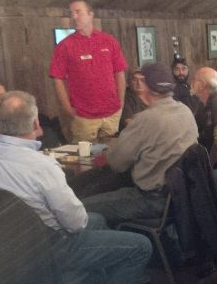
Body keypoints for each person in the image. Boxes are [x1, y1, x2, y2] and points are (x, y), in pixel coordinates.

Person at [0, 90, 151, 284]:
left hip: (3, 251)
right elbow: (75, 223)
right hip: (47, 251)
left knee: (97, 219)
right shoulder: (41, 166)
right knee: (140, 246)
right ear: (36, 124)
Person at [82, 63, 199, 226]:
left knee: (81, 207)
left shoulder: (146, 119)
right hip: (181, 199)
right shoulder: (185, 112)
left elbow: (117, 163)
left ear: (146, 86)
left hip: (151, 200)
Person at [49, 0, 127, 143]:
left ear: (91, 14)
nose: (74, 16)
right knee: (85, 158)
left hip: (111, 112)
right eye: (71, 13)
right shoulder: (65, 46)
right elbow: (57, 78)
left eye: (78, 12)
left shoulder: (108, 41)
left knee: (111, 154)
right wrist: (67, 107)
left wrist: (121, 101)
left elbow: (119, 72)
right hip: (83, 115)